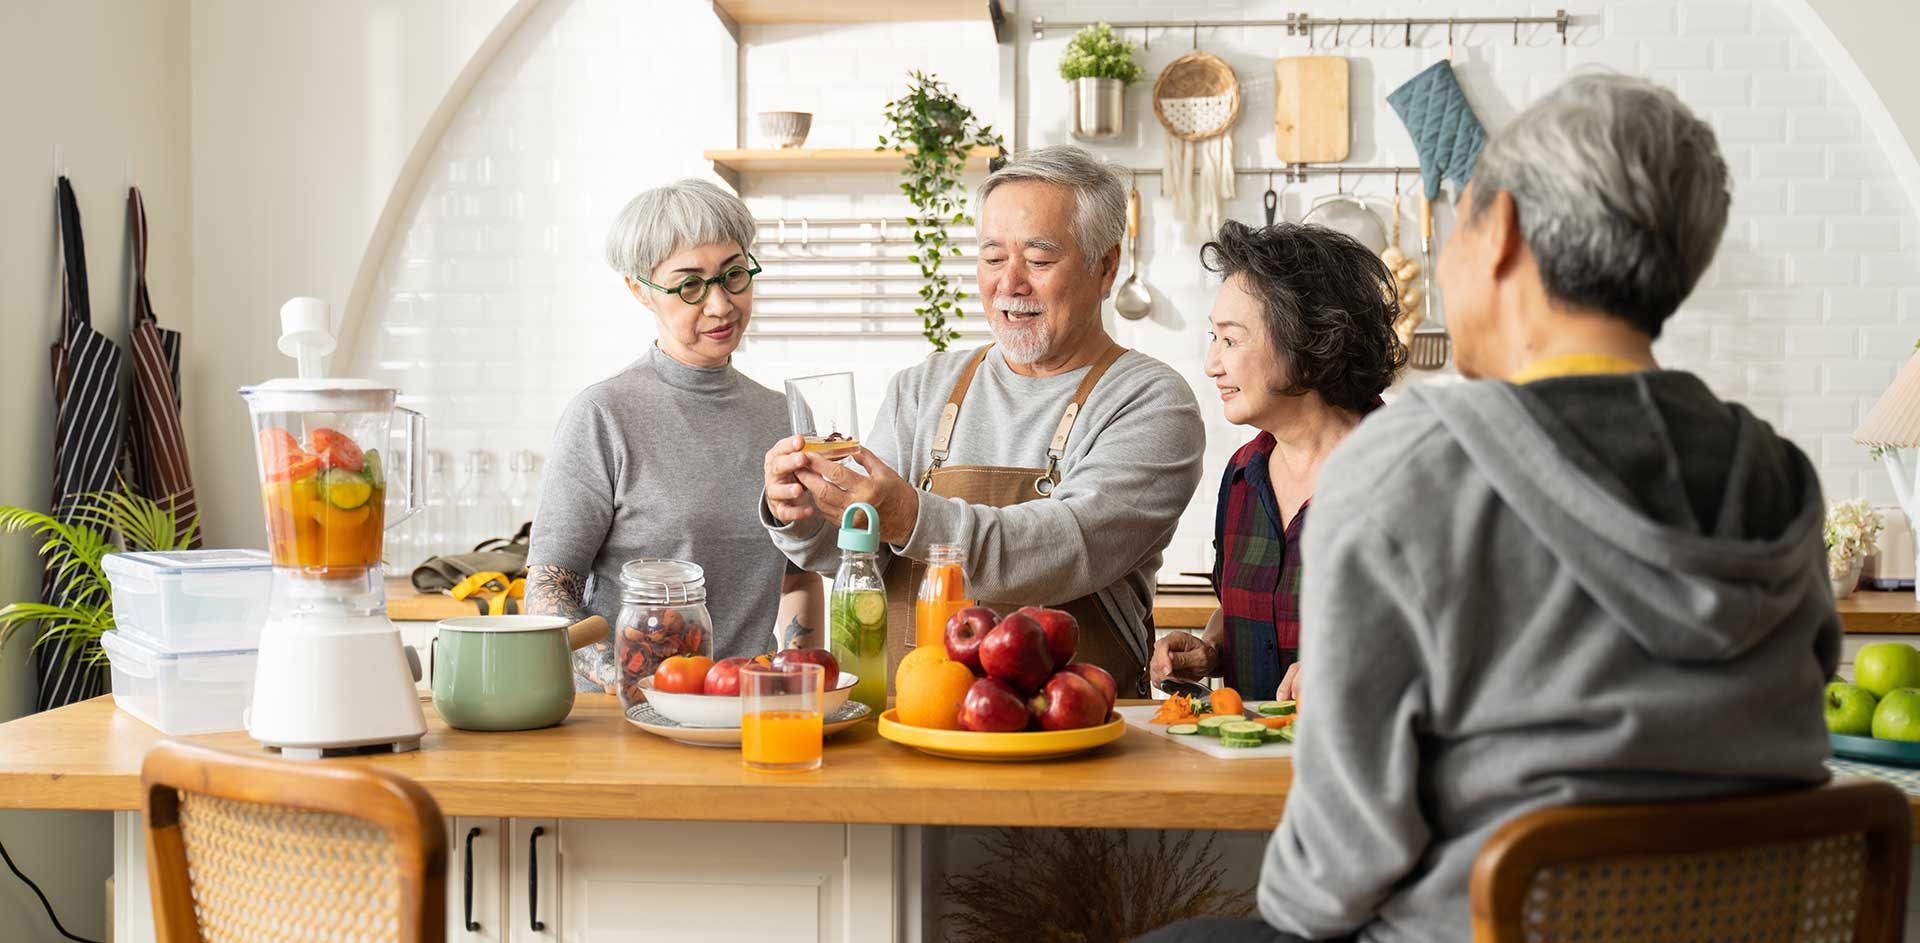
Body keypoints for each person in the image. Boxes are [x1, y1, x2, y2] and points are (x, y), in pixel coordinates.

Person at [1139, 72, 1837, 942]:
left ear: (1499, 230)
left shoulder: (1407, 467)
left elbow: (1325, 881)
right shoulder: (1775, 471)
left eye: (1457, 219)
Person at [760, 145, 1206, 696]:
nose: (1010, 283)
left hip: (1070, 732)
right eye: (993, 258)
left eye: (1039, 261)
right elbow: (860, 552)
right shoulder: (924, 386)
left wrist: (908, 513)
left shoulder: (1151, 400)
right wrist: (805, 516)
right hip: (910, 717)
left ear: (1106, 267)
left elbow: (1066, 548)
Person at [527, 179, 822, 692]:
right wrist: (621, 678)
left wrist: (798, 683)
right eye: (689, 285)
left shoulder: (786, 416)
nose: (720, 305)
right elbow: (550, 591)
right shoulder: (603, 414)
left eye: (734, 275)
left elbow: (798, 577)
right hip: (631, 717)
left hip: (746, 707)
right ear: (639, 289)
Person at [1149, 221, 1405, 703]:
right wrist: (1210, 650)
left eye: (1231, 340)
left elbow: (1463, 639)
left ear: (1308, 343)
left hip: (1367, 766)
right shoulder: (1243, 476)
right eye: (1213, 337)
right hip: (1248, 770)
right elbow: (1253, 610)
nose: (1211, 363)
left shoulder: (1410, 474)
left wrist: (1356, 664)